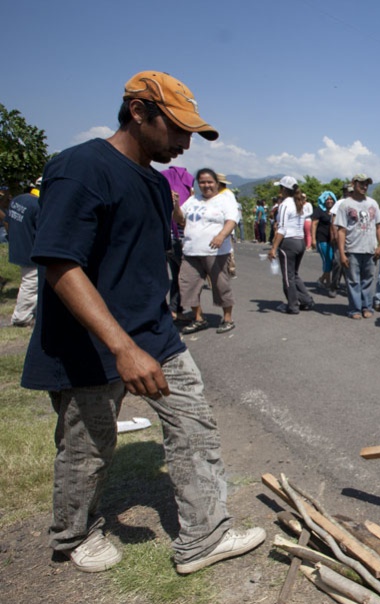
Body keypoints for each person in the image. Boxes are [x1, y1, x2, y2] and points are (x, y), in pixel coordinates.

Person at [21, 70, 265, 574]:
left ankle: (204, 535)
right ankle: (75, 533)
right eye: (176, 129)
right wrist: (120, 346)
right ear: (138, 112)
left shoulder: (155, 185)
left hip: (156, 334)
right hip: (87, 340)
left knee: (194, 424)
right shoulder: (80, 168)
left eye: (190, 134)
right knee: (88, 445)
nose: (184, 143)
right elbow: (60, 264)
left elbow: (147, 260)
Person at [175, 168, 240, 334]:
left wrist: (221, 235)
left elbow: (232, 220)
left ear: (216, 183)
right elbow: (179, 219)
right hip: (191, 251)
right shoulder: (192, 200)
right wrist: (175, 204)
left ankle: (227, 318)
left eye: (209, 182)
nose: (206, 185)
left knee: (220, 285)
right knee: (188, 284)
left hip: (216, 252)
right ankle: (198, 318)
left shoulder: (225, 199)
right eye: (202, 182)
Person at [334, 173, 380, 318]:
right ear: (353, 183)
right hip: (352, 249)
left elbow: (379, 226)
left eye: (366, 184)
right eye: (361, 183)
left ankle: (367, 307)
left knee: (368, 280)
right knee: (353, 281)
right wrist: (342, 253)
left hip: (370, 249)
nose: (364, 186)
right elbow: (341, 230)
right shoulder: (345, 204)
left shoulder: (372, 203)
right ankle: (354, 309)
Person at [268, 177, 316, 314]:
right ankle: (306, 300)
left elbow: (282, 229)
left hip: (288, 243)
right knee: (294, 274)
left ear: (283, 189)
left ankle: (292, 305)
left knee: (288, 277)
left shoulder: (285, 205)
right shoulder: (299, 202)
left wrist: (274, 248)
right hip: (299, 241)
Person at [160, 166, 194, 321]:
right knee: (187, 276)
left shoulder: (161, 194)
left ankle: (176, 310)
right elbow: (182, 220)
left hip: (166, 240)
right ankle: (176, 310)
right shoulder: (184, 197)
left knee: (176, 276)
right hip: (179, 241)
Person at [6, 179, 41, 327]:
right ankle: (21, 318)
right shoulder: (39, 206)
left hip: (18, 246)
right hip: (31, 250)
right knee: (31, 284)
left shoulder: (18, 199)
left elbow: (7, 221)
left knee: (28, 282)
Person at [312, 190, 336, 291]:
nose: (329, 201)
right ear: (323, 200)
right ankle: (328, 282)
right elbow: (314, 224)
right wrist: (313, 239)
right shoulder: (319, 210)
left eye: (331, 199)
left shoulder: (335, 211)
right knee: (328, 260)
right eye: (327, 199)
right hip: (322, 239)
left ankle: (322, 280)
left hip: (332, 240)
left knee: (331, 261)